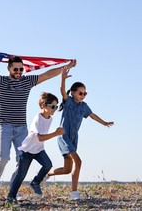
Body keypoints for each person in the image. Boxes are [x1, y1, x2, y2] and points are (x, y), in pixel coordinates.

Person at [0, 45, 76, 196]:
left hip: (21, 128)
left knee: (21, 161)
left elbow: (46, 74)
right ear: (9, 69)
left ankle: (14, 190)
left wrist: (66, 66)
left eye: (21, 69)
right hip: (4, 126)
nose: (19, 72)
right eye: (16, 69)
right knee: (3, 158)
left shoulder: (26, 82)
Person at [46, 67, 113, 200]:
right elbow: (62, 92)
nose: (83, 95)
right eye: (80, 93)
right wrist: (63, 79)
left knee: (67, 169)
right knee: (79, 161)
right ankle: (74, 193)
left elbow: (92, 115)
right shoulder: (69, 101)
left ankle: (46, 174)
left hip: (73, 138)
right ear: (73, 93)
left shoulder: (84, 106)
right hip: (64, 136)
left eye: (85, 93)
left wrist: (104, 123)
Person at [6, 92, 65, 204]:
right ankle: (11, 196)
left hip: (38, 149)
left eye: (56, 107)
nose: (54, 109)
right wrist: (56, 133)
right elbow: (40, 138)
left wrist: (56, 132)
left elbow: (41, 140)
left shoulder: (50, 119)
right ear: (43, 105)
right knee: (21, 175)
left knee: (47, 164)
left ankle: (35, 182)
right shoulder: (37, 119)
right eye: (52, 106)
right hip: (27, 150)